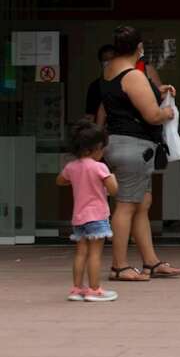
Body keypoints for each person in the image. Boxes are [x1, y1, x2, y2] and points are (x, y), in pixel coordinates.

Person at [96, 25, 180, 282]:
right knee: (125, 205)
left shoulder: (109, 70)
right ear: (139, 48)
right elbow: (153, 115)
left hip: (119, 143)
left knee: (141, 204)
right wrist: (168, 112)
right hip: (133, 147)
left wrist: (159, 91)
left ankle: (151, 262)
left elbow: (127, 100)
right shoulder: (133, 75)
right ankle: (119, 266)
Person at [57, 120, 119, 302]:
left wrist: (76, 181)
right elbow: (114, 190)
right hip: (97, 216)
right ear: (95, 148)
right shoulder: (100, 167)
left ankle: (76, 289)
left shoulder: (72, 167)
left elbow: (59, 181)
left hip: (79, 217)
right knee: (95, 254)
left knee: (81, 253)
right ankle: (94, 289)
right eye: (102, 148)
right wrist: (112, 178)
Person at [83, 44, 116, 121]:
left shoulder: (126, 82)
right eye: (105, 59)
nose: (109, 62)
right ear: (101, 62)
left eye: (112, 59)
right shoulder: (94, 87)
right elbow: (90, 114)